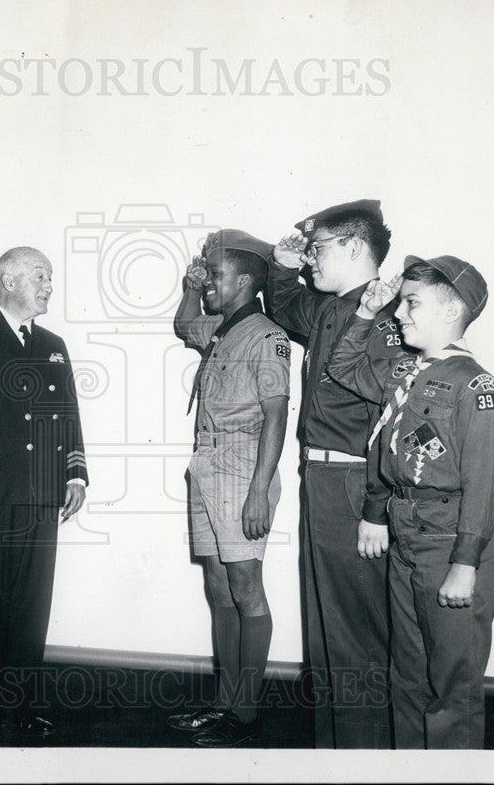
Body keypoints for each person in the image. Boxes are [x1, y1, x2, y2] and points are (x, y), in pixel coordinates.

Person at [328, 255, 494, 748]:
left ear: (451, 312)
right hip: (407, 534)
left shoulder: (474, 386)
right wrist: (365, 312)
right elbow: (342, 367)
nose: (399, 313)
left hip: (450, 542)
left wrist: (464, 565)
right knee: (406, 674)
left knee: (452, 686)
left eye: (411, 302)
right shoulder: (403, 373)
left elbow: (484, 481)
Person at [265, 199, 404, 748]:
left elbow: (390, 427)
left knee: (356, 636)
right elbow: (285, 306)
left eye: (318, 248)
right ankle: (334, 753)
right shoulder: (331, 308)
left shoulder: (386, 321)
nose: (310, 260)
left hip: (355, 485)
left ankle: (364, 757)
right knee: (325, 632)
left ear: (353, 247)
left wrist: (376, 505)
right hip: (321, 481)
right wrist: (279, 264)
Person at [0, 247, 88, 741]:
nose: (49, 284)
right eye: (39, 276)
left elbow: (68, 413)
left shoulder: (53, 344)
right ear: (5, 281)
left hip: (41, 497)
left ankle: (23, 705)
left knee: (31, 607)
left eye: (50, 276)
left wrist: (75, 475)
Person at [167, 230, 290, 747]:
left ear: (244, 280)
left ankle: (245, 714)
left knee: (245, 588)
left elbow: (277, 413)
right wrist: (191, 286)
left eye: (215, 274)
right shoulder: (222, 328)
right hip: (208, 463)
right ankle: (224, 703)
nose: (208, 282)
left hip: (243, 467)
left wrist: (259, 490)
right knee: (218, 586)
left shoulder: (265, 336)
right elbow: (182, 324)